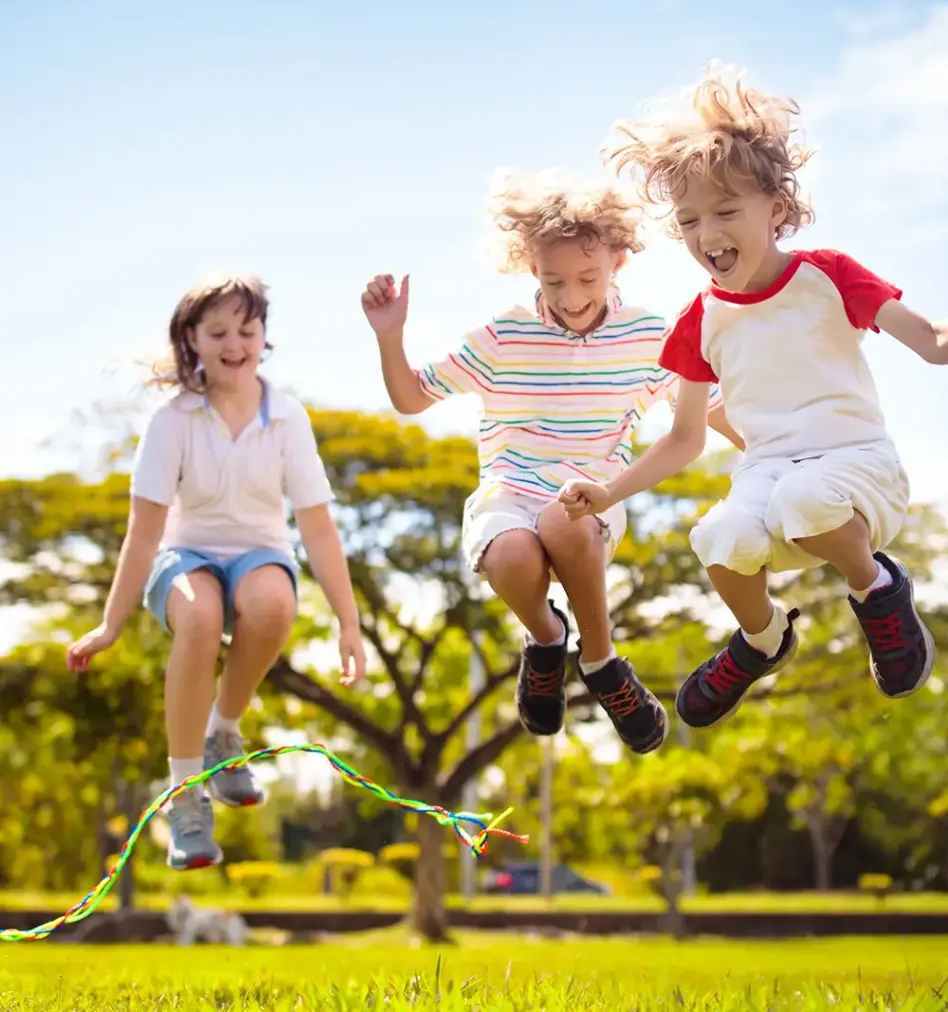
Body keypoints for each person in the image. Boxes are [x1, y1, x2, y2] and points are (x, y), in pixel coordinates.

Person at [560, 64, 944, 729]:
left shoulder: (827, 276)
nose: (708, 235)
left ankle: (876, 588)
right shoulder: (698, 322)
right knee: (718, 534)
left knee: (806, 497)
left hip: (858, 472)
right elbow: (684, 437)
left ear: (778, 208)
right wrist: (609, 491)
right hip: (771, 486)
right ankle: (763, 638)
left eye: (727, 211)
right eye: (689, 220)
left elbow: (931, 341)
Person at [361, 169, 740, 754]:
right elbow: (412, 398)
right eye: (552, 279)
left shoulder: (649, 335)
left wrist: (781, 452)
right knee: (511, 552)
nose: (570, 296)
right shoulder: (502, 336)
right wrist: (391, 334)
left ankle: (600, 660)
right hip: (509, 491)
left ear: (618, 260)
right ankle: (545, 640)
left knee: (561, 520)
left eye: (587, 276)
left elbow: (708, 414)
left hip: (593, 495)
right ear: (529, 267)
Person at [67, 275, 366, 869]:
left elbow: (317, 528)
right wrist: (110, 625)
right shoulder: (171, 419)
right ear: (192, 340)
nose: (236, 344)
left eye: (248, 330)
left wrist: (349, 623)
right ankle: (186, 800)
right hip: (185, 554)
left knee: (274, 605)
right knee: (200, 617)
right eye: (219, 332)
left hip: (259, 551)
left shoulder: (287, 419)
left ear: (264, 337)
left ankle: (222, 731)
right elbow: (146, 530)